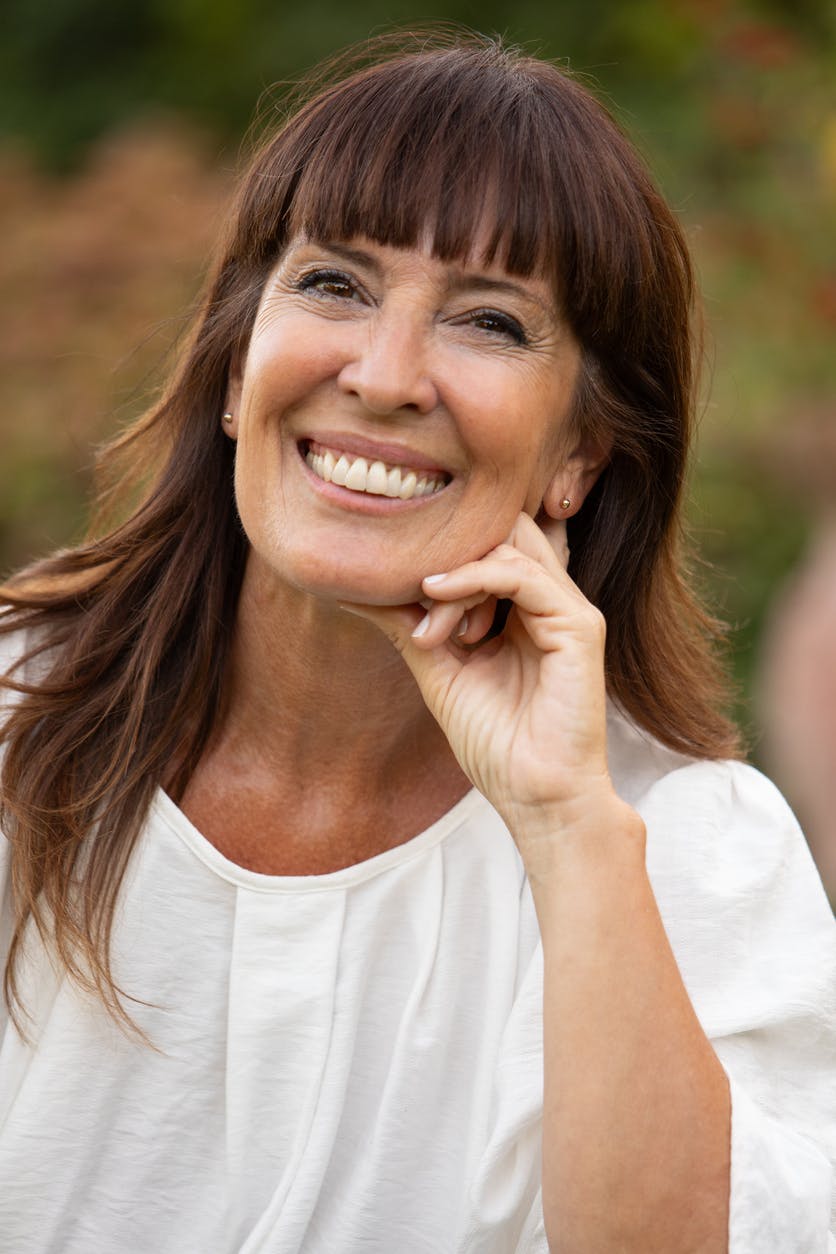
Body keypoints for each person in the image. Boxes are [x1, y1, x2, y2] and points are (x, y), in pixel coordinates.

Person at [0, 30, 834, 1254]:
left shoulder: (692, 848)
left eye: (489, 323)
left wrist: (564, 825)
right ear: (235, 371)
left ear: (577, 458)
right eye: (333, 284)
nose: (384, 376)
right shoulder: (21, 711)